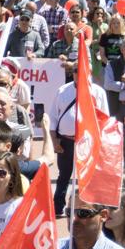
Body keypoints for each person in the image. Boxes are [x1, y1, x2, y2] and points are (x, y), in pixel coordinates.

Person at [49, 69, 109, 215]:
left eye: (83, 70)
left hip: (88, 141)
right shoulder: (62, 90)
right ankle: (58, 206)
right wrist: (54, 140)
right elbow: (53, 117)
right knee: (64, 174)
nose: (79, 73)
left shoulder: (98, 92)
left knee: (87, 176)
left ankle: (84, 208)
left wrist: (100, 143)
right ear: (72, 73)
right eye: (76, 70)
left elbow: (104, 118)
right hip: (66, 140)